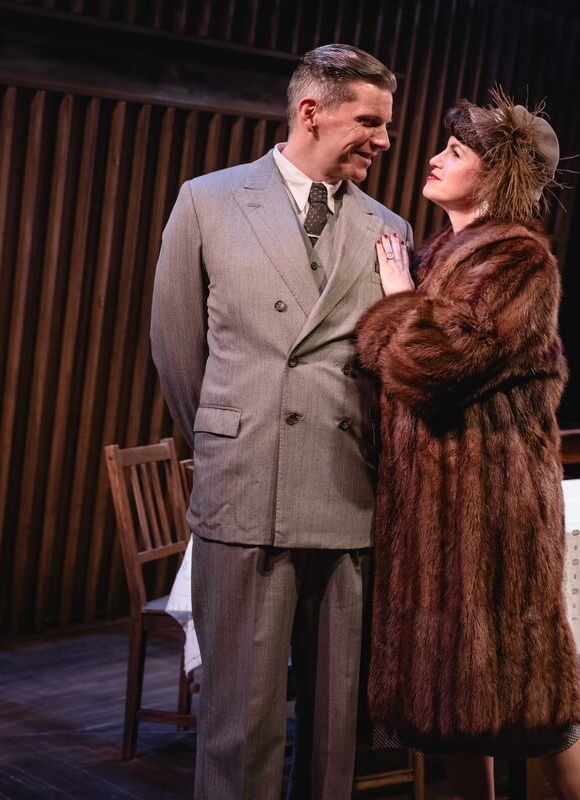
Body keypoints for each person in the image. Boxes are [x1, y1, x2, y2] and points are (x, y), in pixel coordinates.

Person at [150, 44, 411, 799]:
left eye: (386, 125)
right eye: (370, 121)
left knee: (333, 731)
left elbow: (390, 367)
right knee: (239, 722)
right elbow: (175, 350)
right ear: (311, 112)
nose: (384, 140)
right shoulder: (208, 200)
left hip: (343, 492)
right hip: (246, 487)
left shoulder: (386, 227)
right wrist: (232, 440)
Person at [355, 89, 580, 800]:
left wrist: (396, 297)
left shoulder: (519, 261)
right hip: (434, 516)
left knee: (539, 710)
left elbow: (429, 364)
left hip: (492, 518)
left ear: (494, 174)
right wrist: (407, 306)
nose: (433, 158)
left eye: (456, 152)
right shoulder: (442, 256)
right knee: (456, 713)